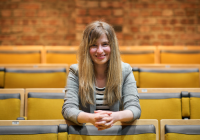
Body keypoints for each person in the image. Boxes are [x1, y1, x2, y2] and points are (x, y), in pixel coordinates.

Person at [62, 21, 141, 131]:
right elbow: (68, 109)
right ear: (86, 48)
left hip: (117, 134)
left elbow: (135, 109)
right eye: (94, 45)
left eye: (105, 44)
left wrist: (114, 117)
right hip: (88, 134)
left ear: (112, 46)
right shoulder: (76, 71)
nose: (100, 51)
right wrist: (92, 119)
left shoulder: (125, 70)